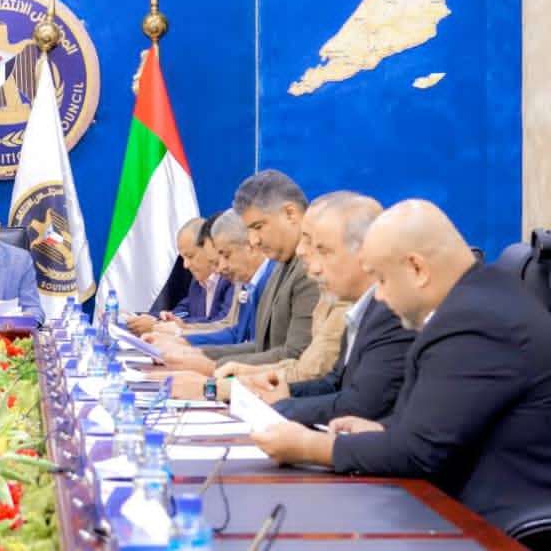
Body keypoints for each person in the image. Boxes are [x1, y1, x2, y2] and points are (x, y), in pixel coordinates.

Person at [250, 200, 551, 532]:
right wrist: (384, 430)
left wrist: (308, 446)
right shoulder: (481, 298)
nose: (378, 296)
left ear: (417, 269)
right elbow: (444, 419)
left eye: (381, 279)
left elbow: (420, 452)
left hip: (489, 524)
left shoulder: (474, 321)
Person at [241, 194, 414, 426]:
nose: (314, 268)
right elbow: (335, 382)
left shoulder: (391, 313)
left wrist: (280, 407)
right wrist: (285, 390)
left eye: (324, 252)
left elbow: (362, 406)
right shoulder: (361, 307)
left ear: (365, 253)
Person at [148, 171, 319, 375]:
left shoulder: (309, 271)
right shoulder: (281, 266)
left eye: (258, 227)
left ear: (290, 214)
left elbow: (295, 355)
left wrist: (210, 365)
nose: (254, 240)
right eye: (250, 230)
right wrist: (196, 353)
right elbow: (260, 347)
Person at [127, 216, 234, 335]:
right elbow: (183, 311)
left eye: (190, 256)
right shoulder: (197, 283)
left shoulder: (230, 280)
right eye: (183, 258)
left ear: (209, 248)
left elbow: (221, 324)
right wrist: (159, 319)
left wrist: (158, 325)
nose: (185, 265)